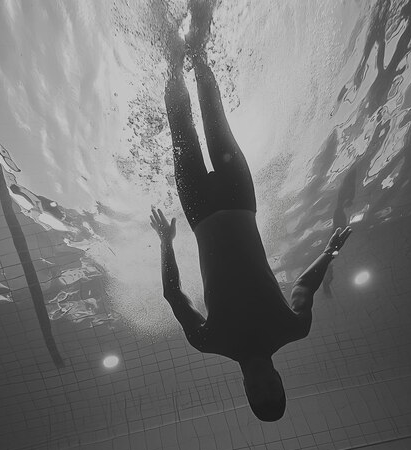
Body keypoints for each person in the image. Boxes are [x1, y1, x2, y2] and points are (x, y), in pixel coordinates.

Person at [150, 1, 351, 422]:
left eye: (254, 392)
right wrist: (330, 251)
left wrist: (166, 244)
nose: (260, 383)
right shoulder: (292, 329)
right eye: (270, 388)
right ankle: (198, 45)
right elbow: (305, 285)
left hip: (200, 212)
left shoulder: (209, 341)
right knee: (213, 115)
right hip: (240, 200)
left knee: (180, 124)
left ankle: (169, 49)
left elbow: (172, 294)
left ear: (246, 390)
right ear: (279, 381)